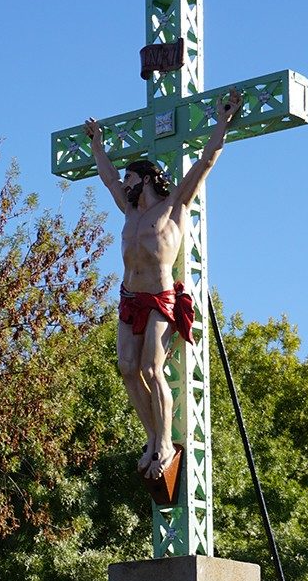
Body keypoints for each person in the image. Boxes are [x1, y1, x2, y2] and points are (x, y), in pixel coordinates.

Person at [84, 89, 241, 480]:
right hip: (129, 297)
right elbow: (105, 179)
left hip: (160, 298)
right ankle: (153, 437)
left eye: (131, 178)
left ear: (148, 179)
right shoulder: (128, 209)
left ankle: (167, 443)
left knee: (153, 369)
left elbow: (205, 162)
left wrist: (223, 121)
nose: (125, 183)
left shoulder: (174, 207)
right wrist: (98, 146)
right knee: (125, 367)